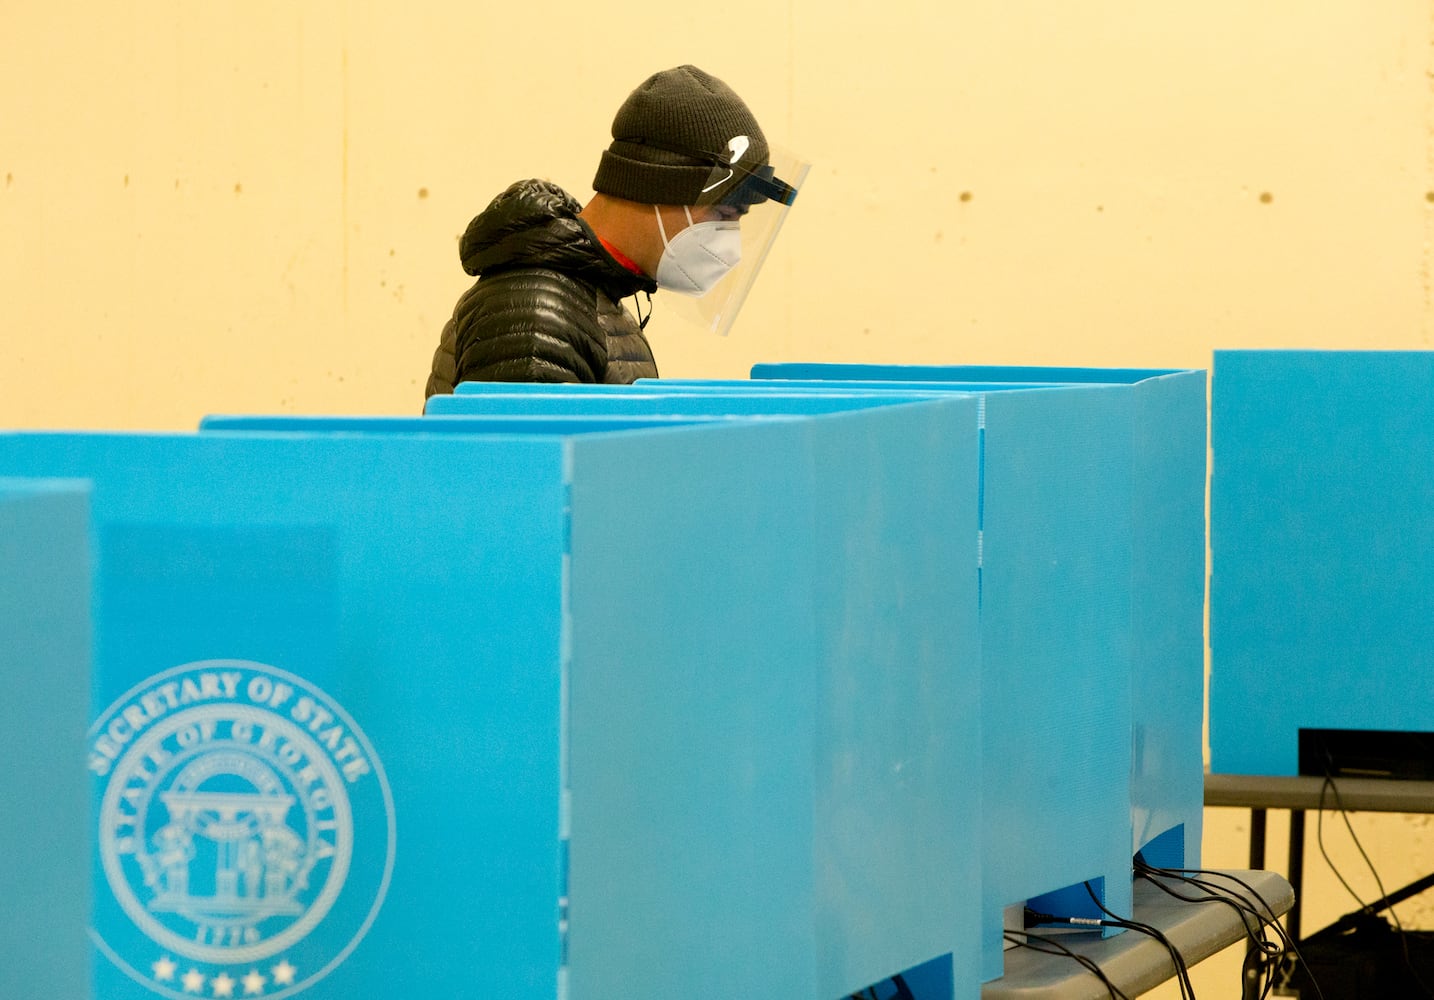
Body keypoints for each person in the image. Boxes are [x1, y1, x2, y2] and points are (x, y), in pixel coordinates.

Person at [424, 64, 801, 397]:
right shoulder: (537, 311)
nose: (729, 240)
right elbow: (525, 471)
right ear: (657, 186)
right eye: (724, 213)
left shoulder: (593, 300)